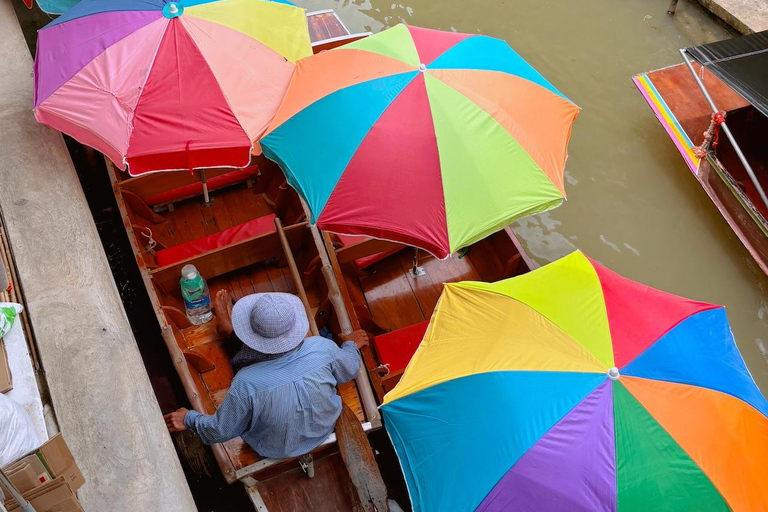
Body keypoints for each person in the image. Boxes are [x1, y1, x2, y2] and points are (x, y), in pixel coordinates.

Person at [164, 290, 369, 460]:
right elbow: (350, 368)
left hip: (273, 449)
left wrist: (188, 418)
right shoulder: (322, 347)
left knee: (242, 358)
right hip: (324, 428)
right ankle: (227, 327)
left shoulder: (245, 383)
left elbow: (220, 431)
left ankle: (227, 327)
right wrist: (350, 344)